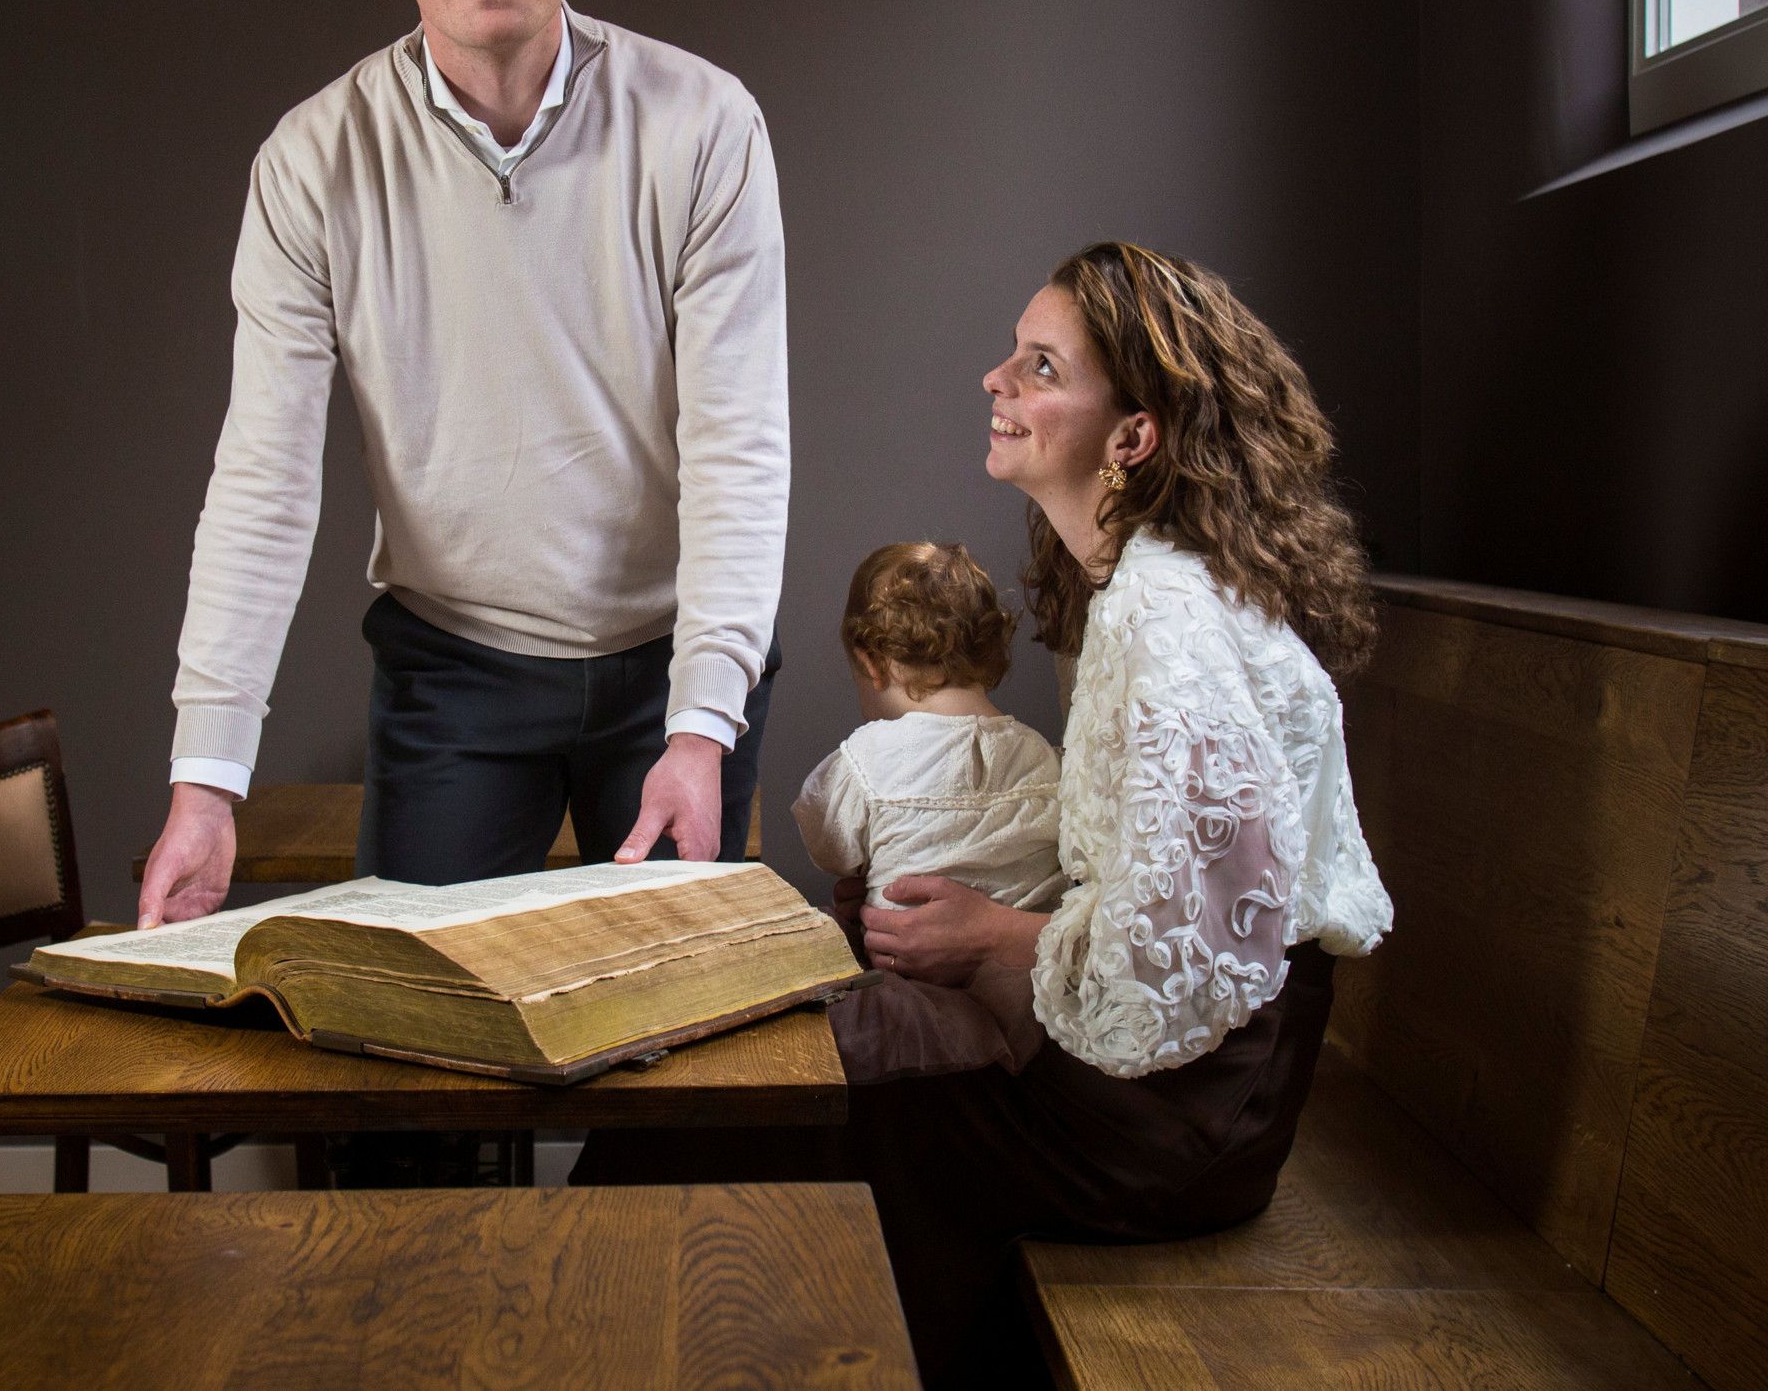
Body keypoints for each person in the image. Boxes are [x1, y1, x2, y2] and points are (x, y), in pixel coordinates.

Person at [577, 242, 1392, 1389]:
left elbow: (1197, 963)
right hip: (1187, 1083)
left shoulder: (1168, 619)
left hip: (1178, 1119)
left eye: (1038, 365)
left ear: (1132, 436)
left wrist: (990, 938)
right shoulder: (1145, 587)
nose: (993, 380)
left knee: (766, 1113)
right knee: (766, 1087)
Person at [138, 0, 788, 928]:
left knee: (682, 1046)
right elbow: (264, 482)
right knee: (416, 1062)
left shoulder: (703, 123)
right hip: (455, 671)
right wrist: (207, 777)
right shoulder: (311, 161)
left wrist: (704, 721)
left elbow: (740, 446)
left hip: (670, 662)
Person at [792, 541, 1064, 915]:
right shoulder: (1044, 760)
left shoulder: (867, 760)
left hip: (900, 965)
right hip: (1023, 968)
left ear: (870, 661)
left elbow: (829, 848)